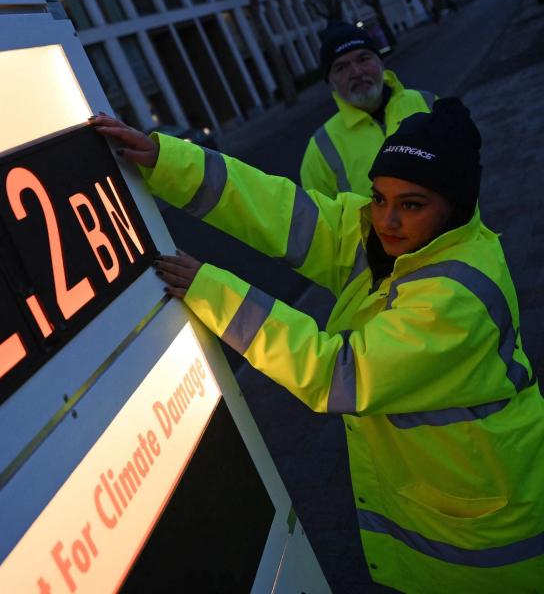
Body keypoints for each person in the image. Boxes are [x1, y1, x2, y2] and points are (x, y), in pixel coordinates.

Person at [89, 99, 544, 593]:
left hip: (486, 535)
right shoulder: (386, 235)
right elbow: (279, 209)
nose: (387, 220)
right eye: (379, 197)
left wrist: (211, 289)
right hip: (450, 494)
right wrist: (166, 159)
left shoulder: (456, 295)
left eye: (411, 204)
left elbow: (338, 373)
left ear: (453, 206)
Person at [301, 22, 437, 199]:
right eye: (341, 68)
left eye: (363, 59)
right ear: (331, 83)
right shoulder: (320, 148)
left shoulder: (428, 102)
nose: (356, 72)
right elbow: (320, 221)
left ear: (380, 62)